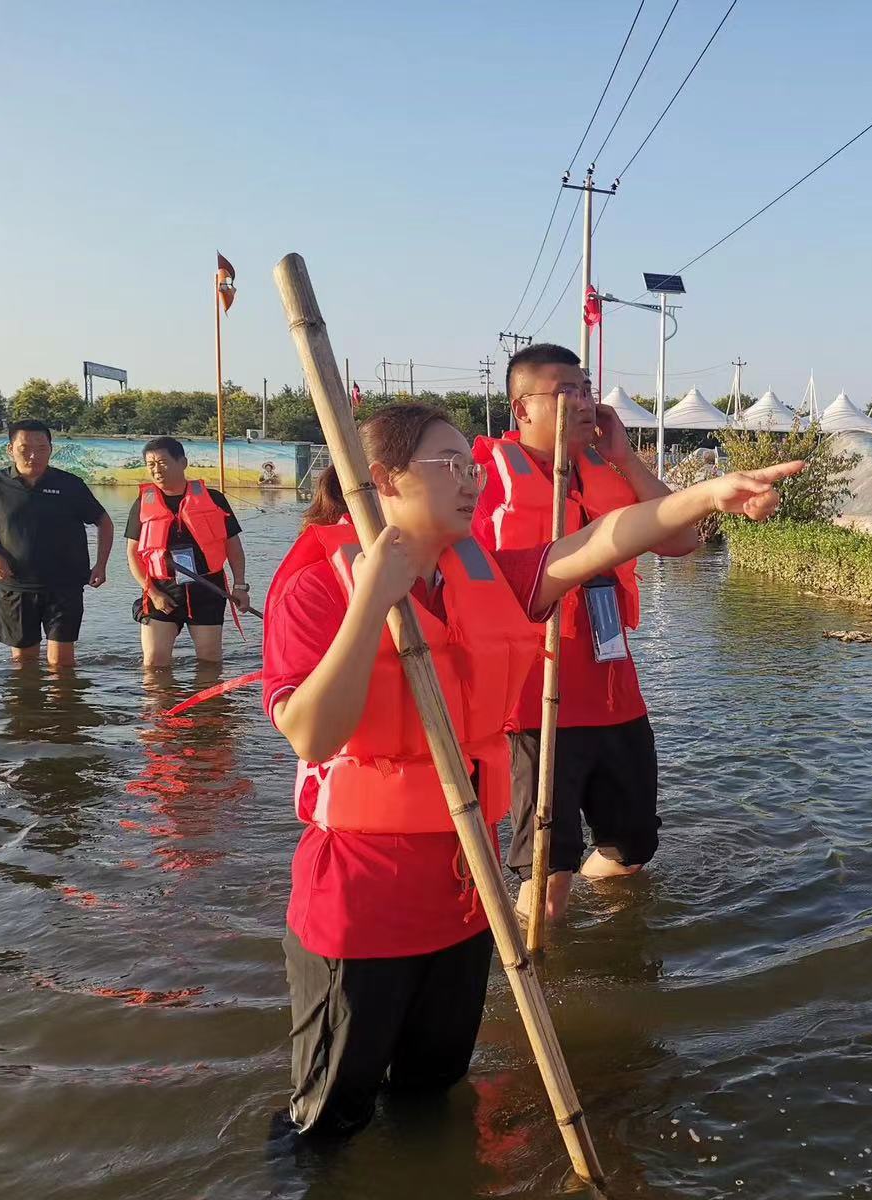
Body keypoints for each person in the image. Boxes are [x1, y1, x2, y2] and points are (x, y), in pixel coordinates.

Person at [262, 402, 797, 1137]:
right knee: (329, 1116)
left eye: (470, 465)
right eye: (447, 465)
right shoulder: (316, 585)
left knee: (433, 1093)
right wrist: (371, 607)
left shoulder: (483, 574)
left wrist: (705, 494)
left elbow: (599, 541)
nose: (470, 481)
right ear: (382, 480)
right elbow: (311, 736)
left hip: (464, 888)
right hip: (360, 901)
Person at [471, 343, 700, 927]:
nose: (581, 402)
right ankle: (538, 978)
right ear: (522, 409)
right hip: (533, 706)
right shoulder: (485, 483)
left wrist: (624, 456)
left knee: (633, 853)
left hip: (616, 698)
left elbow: (681, 540)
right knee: (549, 881)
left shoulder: (605, 470)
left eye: (585, 389)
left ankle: (605, 935)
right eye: (563, 392)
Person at [0, 420, 113, 666]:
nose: (33, 455)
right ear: (10, 449)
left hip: (65, 584)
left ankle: (63, 705)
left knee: (62, 665)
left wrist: (101, 565)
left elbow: (104, 522)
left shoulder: (70, 484)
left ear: (51, 449)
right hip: (16, 585)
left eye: (42, 448)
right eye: (24, 448)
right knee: (23, 665)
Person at [124, 436, 249, 666]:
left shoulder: (214, 499)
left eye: (162, 462)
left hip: (207, 588)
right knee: (154, 663)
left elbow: (233, 546)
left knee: (209, 661)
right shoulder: (142, 503)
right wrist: (153, 593)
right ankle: (160, 703)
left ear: (182, 463)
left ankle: (208, 703)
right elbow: (133, 554)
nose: (156, 470)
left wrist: (240, 586)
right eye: (151, 464)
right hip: (162, 590)